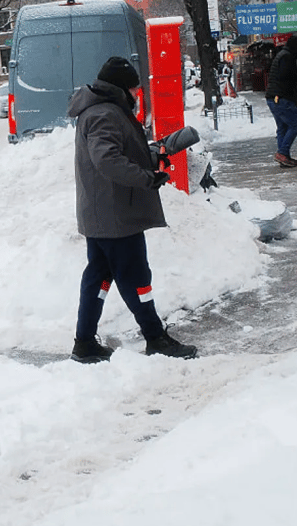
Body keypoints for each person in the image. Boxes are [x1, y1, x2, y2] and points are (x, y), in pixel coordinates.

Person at [66, 56, 199, 364]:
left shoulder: (103, 111)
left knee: (99, 277)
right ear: (121, 88)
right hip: (116, 216)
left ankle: (85, 343)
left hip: (104, 213)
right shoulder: (105, 114)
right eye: (135, 88)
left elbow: (118, 153)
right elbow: (107, 160)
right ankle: (155, 337)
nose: (138, 93)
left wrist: (151, 157)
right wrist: (146, 178)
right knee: (136, 277)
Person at [265, 35, 297, 168]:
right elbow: (286, 77)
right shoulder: (287, 57)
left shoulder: (282, 55)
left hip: (273, 97)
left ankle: (284, 157)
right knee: (295, 124)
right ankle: (282, 153)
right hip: (281, 97)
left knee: (283, 127)